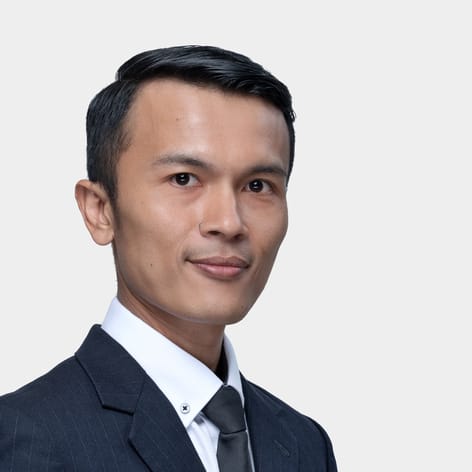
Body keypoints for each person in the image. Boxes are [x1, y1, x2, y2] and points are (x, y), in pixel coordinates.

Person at [0, 45, 337, 471]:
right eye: (184, 179)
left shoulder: (304, 443)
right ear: (100, 210)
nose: (228, 222)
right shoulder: (24, 437)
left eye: (257, 186)